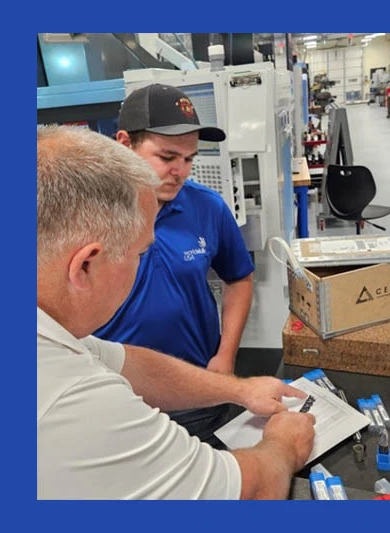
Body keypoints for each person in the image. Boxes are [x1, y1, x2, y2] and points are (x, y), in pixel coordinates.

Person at [38, 125, 315, 499]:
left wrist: (239, 387)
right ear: (85, 265)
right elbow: (246, 491)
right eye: (139, 255)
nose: (179, 170)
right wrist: (282, 444)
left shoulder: (55, 336)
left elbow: (125, 363)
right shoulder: (80, 402)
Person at [93, 83, 256, 448]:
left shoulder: (206, 207)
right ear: (124, 144)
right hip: (117, 399)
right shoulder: (85, 214)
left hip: (198, 392)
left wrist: (225, 356)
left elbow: (240, 278)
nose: (180, 172)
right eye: (167, 158)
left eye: (189, 158)